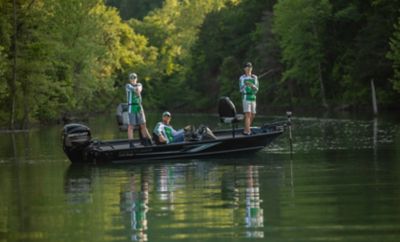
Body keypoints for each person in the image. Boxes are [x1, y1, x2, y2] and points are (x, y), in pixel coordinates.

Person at [126, 73, 152, 146]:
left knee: (143, 125)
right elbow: (134, 90)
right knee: (131, 126)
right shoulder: (128, 86)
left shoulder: (139, 84)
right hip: (131, 107)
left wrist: (137, 90)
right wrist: (136, 90)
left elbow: (139, 89)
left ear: (136, 79)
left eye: (134, 78)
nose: (133, 79)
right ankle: (131, 143)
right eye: (131, 78)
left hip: (139, 107)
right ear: (129, 79)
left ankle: (147, 141)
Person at [239, 62, 259, 135]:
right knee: (248, 114)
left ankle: (246, 129)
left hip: (253, 97)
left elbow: (256, 89)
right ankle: (248, 132)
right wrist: (245, 84)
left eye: (250, 67)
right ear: (244, 69)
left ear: (252, 68)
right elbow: (241, 90)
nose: (248, 69)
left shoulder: (255, 77)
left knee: (253, 114)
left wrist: (252, 85)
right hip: (245, 96)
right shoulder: (242, 77)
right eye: (247, 67)